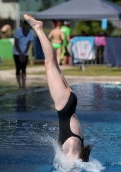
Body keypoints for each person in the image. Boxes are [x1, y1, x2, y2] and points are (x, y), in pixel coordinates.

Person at [24, 14, 92, 162]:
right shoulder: (74, 147)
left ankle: (39, 29)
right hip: (64, 105)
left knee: (53, 63)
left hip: (69, 104)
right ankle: (38, 28)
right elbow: (73, 151)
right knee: (49, 63)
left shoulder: (76, 146)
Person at [13, 20, 34, 91]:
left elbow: (29, 43)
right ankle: (20, 86)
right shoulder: (18, 31)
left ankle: (24, 85)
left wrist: (24, 53)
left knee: (24, 69)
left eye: (27, 26)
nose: (26, 27)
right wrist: (20, 54)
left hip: (25, 52)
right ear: (23, 25)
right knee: (18, 68)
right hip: (17, 52)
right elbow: (16, 43)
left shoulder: (31, 32)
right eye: (25, 25)